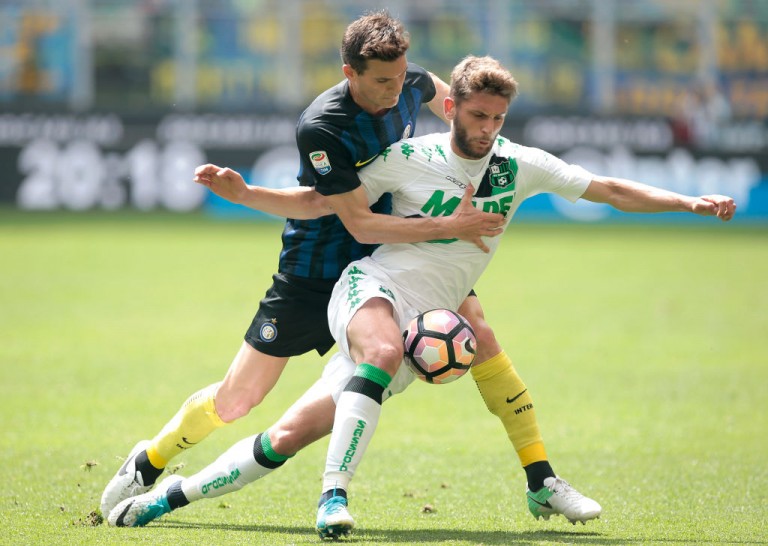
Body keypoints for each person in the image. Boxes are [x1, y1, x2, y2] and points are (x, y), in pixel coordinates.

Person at [106, 55, 734, 534]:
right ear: (451, 108)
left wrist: (689, 202)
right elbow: (324, 203)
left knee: (286, 436)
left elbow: (610, 189)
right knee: (361, 358)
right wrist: (247, 195)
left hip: (430, 314)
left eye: (498, 119)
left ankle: (166, 499)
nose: (487, 129)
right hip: (370, 285)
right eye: (478, 116)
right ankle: (333, 496)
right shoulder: (408, 156)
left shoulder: (519, 164)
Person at [102, 10, 568, 524]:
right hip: (317, 265)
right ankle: (152, 459)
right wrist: (247, 194)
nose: (396, 89)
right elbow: (341, 214)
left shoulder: (411, 82)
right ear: (351, 73)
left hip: (395, 260)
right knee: (238, 400)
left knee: (479, 330)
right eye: (382, 81)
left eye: (401, 75)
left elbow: (462, 120)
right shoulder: (322, 125)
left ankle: (541, 478)